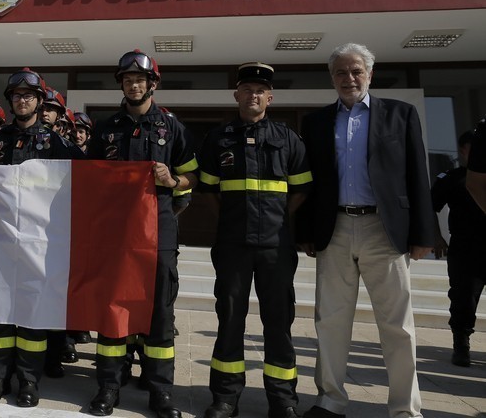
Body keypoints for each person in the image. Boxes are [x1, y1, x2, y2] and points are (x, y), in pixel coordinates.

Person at [297, 43, 435, 418]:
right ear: (332, 78)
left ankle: (406, 409)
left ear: (370, 74)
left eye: (356, 71)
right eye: (341, 72)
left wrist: (425, 233)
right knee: (330, 321)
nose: (349, 79)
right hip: (335, 229)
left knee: (398, 327)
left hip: (384, 231)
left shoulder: (400, 115)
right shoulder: (317, 122)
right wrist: (306, 230)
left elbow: (416, 176)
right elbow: (311, 183)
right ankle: (331, 400)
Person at [87, 49, 198, 418]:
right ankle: (108, 386)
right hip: (114, 233)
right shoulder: (106, 128)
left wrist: (173, 180)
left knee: (159, 312)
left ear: (152, 84)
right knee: (114, 308)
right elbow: (88, 179)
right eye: (127, 80)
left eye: (140, 79)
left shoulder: (171, 127)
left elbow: (192, 176)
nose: (133, 85)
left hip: (159, 230)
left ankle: (160, 392)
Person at [197, 63, 310, 418]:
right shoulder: (219, 137)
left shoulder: (288, 138)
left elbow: (302, 189)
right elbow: (209, 191)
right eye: (247, 89)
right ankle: (225, 397)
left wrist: (277, 221)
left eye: (260, 91)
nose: (253, 95)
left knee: (279, 320)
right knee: (230, 318)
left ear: (270, 98)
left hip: (276, 246)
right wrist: (232, 223)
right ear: (237, 95)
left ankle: (282, 400)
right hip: (233, 245)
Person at [0, 68, 81, 408]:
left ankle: (28, 382)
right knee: (0, 310)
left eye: (29, 96)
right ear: (10, 101)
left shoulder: (58, 144)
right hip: (1, 241)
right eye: (17, 96)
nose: (22, 101)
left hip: (41, 244)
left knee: (33, 316)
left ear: (40, 101)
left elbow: (87, 183)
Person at [433, 129, 486, 367]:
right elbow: (429, 205)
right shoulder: (452, 178)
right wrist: (434, 236)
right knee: (463, 299)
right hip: (466, 247)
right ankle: (461, 345)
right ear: (464, 151)